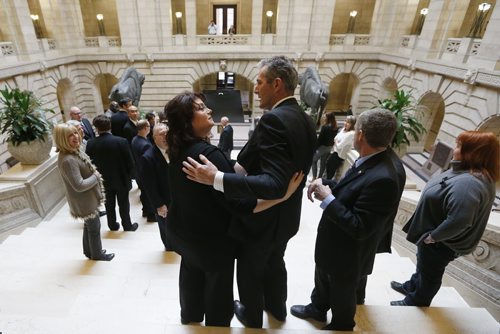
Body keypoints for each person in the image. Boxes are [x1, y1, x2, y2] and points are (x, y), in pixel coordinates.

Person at [183, 56, 317, 328]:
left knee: (249, 271)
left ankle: (252, 316)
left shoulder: (274, 121)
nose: (255, 88)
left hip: (263, 221)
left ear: (277, 84)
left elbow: (275, 183)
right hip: (288, 218)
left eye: (259, 82)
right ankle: (277, 308)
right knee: (276, 262)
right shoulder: (304, 118)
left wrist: (216, 177)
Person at [165, 92, 303, 327]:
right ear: (187, 121)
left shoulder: (179, 149)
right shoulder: (207, 153)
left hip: (183, 233)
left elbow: (227, 172)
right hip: (212, 241)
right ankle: (217, 324)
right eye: (200, 108)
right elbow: (243, 206)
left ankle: (190, 315)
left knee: (190, 275)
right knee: (218, 290)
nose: (208, 110)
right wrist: (283, 196)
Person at [290, 108, 404, 331]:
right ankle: (318, 307)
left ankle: (342, 324)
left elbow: (360, 226)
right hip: (335, 244)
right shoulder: (375, 158)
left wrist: (327, 199)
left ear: (360, 135)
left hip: (348, 251)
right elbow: (355, 190)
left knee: (342, 291)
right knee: (323, 275)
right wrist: (327, 184)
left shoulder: (384, 178)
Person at [390, 131, 498, 307]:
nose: (454, 149)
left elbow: (460, 220)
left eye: (459, 146)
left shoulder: (468, 183)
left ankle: (417, 300)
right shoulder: (470, 173)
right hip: (437, 238)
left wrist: (433, 237)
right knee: (424, 266)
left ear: (472, 152)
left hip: (441, 242)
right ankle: (412, 287)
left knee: (430, 273)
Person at [53, 123, 114, 261]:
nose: (76, 137)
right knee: (94, 227)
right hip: (84, 201)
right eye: (70, 135)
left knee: (89, 226)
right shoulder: (68, 160)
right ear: (62, 139)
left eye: (76, 132)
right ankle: (97, 254)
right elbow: (79, 185)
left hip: (86, 199)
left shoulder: (72, 152)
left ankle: (89, 251)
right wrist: (96, 176)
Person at [86, 115, 138, 232]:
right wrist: (130, 177)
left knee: (108, 204)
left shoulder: (91, 143)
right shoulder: (121, 141)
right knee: (124, 203)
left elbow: (89, 165)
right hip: (121, 179)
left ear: (96, 128)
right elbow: (130, 162)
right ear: (110, 126)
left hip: (103, 181)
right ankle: (127, 225)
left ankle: (112, 225)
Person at [140, 123, 171, 250]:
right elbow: (149, 185)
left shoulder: (175, 150)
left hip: (176, 196)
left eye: (167, 133)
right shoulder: (148, 157)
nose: (165, 136)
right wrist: (159, 204)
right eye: (161, 134)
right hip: (163, 199)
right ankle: (169, 246)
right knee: (165, 226)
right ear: (154, 138)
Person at [131, 119, 155, 222]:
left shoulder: (135, 139)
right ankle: (151, 215)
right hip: (146, 172)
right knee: (149, 194)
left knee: (144, 193)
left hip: (139, 171)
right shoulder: (145, 144)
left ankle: (145, 210)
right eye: (149, 126)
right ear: (146, 128)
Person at [325, 115, 356, 179]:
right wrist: (337, 141)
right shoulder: (343, 130)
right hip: (334, 152)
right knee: (328, 169)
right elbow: (335, 138)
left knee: (330, 174)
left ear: (352, 124)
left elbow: (339, 146)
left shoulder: (351, 134)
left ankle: (325, 186)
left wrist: (337, 142)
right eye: (345, 121)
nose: (345, 123)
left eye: (348, 122)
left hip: (339, 156)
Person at [311, 112, 338, 180]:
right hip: (329, 148)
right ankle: (319, 178)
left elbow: (320, 140)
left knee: (313, 160)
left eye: (325, 117)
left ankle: (314, 178)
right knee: (323, 163)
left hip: (322, 147)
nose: (324, 118)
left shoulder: (325, 127)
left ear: (328, 118)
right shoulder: (335, 127)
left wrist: (315, 148)